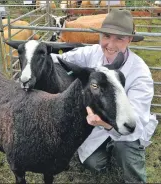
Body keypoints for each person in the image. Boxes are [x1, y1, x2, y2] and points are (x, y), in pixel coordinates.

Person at [51, 9, 158, 183]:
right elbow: (62, 59)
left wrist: (104, 124)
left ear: (130, 40)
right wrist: (36, 55)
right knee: (93, 163)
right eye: (106, 36)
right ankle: (108, 151)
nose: (110, 44)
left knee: (125, 145)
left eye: (119, 38)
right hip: (97, 128)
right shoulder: (93, 53)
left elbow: (135, 125)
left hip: (126, 125)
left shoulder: (140, 74)